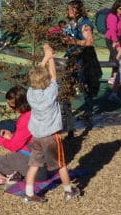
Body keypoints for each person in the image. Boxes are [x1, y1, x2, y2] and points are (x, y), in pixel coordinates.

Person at [23, 43, 82, 204]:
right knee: (61, 164)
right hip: (50, 136)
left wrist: (46, 56)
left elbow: (37, 75)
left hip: (36, 136)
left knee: (34, 164)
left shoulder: (30, 94)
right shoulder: (51, 92)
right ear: (46, 81)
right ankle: (69, 191)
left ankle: (28, 193)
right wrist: (51, 58)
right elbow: (53, 75)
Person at [60, 0, 102, 118]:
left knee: (85, 84)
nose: (68, 11)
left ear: (77, 10)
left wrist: (74, 41)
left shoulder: (85, 24)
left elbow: (89, 42)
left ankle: (88, 110)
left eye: (71, 9)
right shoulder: (72, 23)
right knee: (66, 82)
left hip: (84, 57)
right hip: (73, 56)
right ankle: (65, 111)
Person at [104, 0, 121, 84]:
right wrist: (116, 43)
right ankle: (116, 77)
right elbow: (112, 31)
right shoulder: (112, 16)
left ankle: (113, 77)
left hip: (119, 39)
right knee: (117, 57)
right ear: (116, 8)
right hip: (111, 39)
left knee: (114, 56)